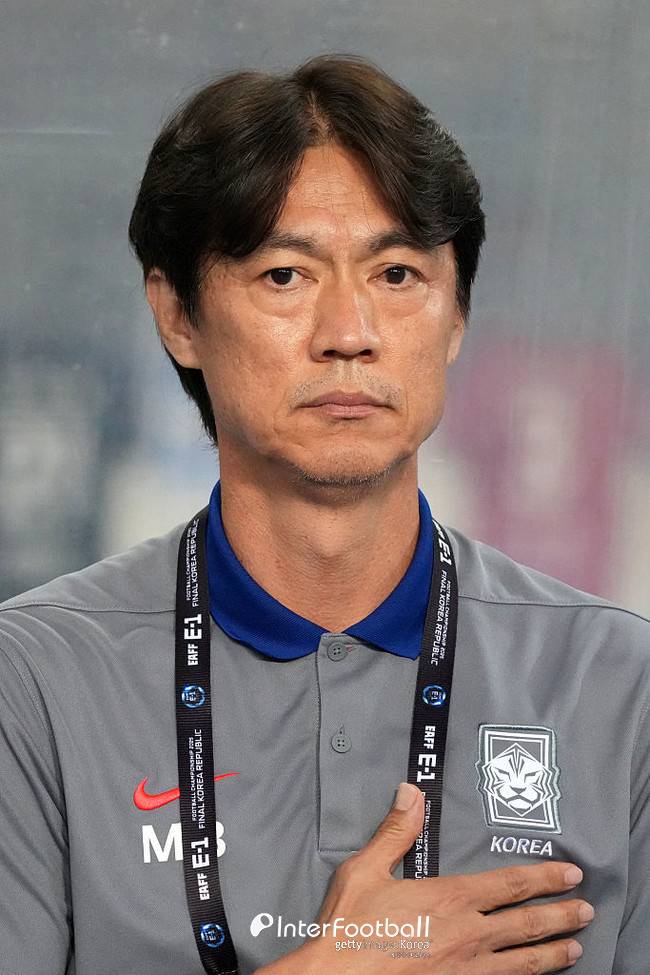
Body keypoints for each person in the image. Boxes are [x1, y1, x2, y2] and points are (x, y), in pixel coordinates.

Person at [0, 53, 647, 975]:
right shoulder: (32, 681)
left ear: (457, 315)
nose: (349, 332)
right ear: (177, 315)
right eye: (284, 276)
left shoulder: (617, 684)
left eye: (397, 273)